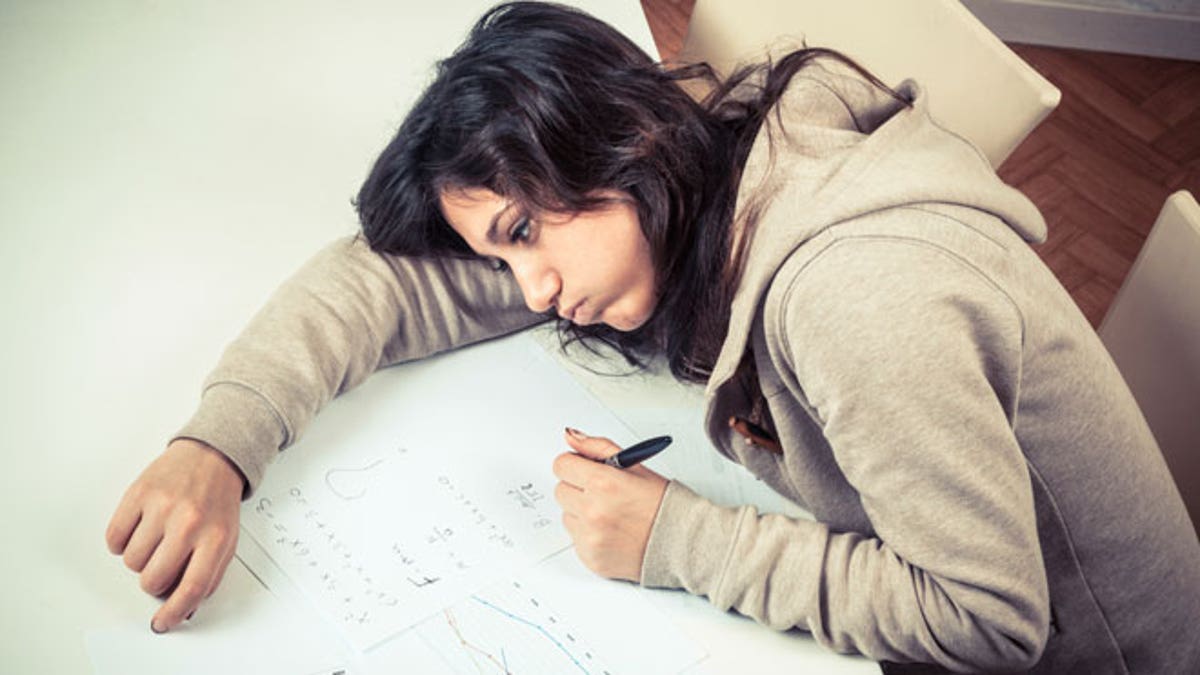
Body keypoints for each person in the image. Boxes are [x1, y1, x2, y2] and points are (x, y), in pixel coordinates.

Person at [104, 2, 1200, 672]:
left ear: (623, 141)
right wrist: (222, 441)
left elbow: (987, 618)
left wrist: (678, 542)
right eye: (501, 253)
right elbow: (394, 284)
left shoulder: (857, 300)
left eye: (526, 233)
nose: (527, 285)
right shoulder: (691, 168)